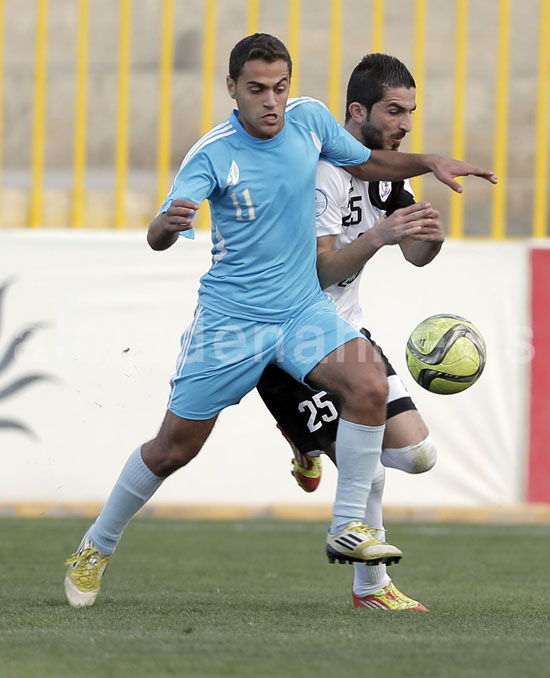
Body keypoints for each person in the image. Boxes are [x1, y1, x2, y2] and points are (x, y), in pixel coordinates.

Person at [63, 34, 496, 608]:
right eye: (257, 89)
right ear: (232, 88)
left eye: (280, 87)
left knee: (369, 384)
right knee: (172, 450)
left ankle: (351, 527)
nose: (271, 101)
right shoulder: (212, 154)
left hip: (301, 312)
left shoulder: (310, 120)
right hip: (232, 323)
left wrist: (429, 161)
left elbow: (367, 162)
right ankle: (95, 545)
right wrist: (166, 227)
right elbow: (158, 235)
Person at [256, 53, 446, 611]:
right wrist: (379, 237)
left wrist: (428, 238)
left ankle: (303, 438)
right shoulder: (324, 173)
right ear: (357, 111)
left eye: (410, 112)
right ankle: (372, 589)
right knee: (369, 475)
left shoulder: (386, 175)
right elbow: (320, 271)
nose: (405, 124)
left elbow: (414, 256)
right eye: (394, 111)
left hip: (348, 330)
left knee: (417, 455)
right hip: (292, 334)